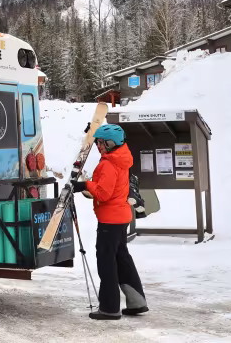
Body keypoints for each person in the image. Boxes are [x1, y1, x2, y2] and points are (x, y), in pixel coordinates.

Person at [72, 123, 148, 320]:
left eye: (99, 142)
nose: (97, 146)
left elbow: (104, 193)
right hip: (121, 217)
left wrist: (84, 185)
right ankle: (137, 301)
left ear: (109, 143)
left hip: (110, 220)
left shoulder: (108, 163)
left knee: (106, 263)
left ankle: (109, 308)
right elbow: (110, 189)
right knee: (122, 259)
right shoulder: (121, 158)